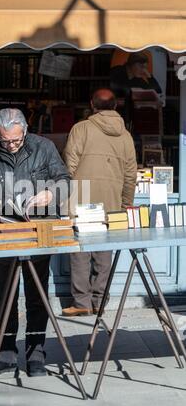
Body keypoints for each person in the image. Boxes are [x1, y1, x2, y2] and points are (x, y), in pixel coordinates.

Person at [0, 108, 70, 376]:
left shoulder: (43, 147)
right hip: (3, 233)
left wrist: (49, 194)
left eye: (16, 140)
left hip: (38, 230)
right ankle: (6, 353)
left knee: (37, 296)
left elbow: (65, 181)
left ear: (24, 131)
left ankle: (36, 354)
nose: (11, 146)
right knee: (6, 296)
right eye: (5, 141)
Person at [62, 89, 137, 316]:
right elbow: (130, 175)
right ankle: (100, 300)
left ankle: (82, 303)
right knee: (104, 254)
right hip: (110, 203)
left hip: (82, 200)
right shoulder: (126, 136)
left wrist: (66, 198)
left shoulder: (81, 129)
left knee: (80, 253)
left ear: (92, 105)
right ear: (116, 106)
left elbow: (69, 166)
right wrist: (125, 206)